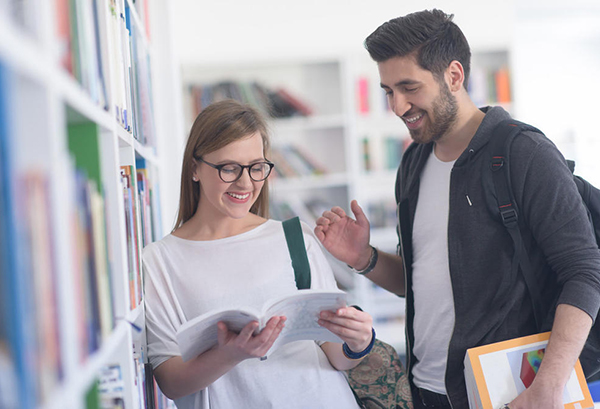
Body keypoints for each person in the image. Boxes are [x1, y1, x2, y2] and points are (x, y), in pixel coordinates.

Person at [315, 9, 600, 409]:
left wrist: (549, 386)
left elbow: (585, 271)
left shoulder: (523, 152)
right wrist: (364, 259)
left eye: (408, 87)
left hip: (512, 391)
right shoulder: (414, 163)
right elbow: (423, 283)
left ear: (454, 75)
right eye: (388, 91)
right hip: (427, 390)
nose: (397, 106)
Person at [142, 99, 373, 409]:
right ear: (195, 168)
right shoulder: (159, 261)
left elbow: (335, 356)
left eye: (256, 168)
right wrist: (231, 354)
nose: (246, 182)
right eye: (229, 168)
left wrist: (357, 342)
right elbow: (170, 381)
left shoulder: (295, 238)